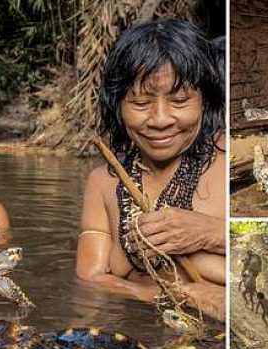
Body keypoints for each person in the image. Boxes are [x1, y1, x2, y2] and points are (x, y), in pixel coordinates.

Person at [76, 19, 226, 321]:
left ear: (205, 101)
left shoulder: (227, 165)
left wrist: (212, 233)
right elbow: (89, 279)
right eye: (141, 103)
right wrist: (169, 295)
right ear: (117, 104)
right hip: (133, 331)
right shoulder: (103, 182)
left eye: (180, 100)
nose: (160, 119)